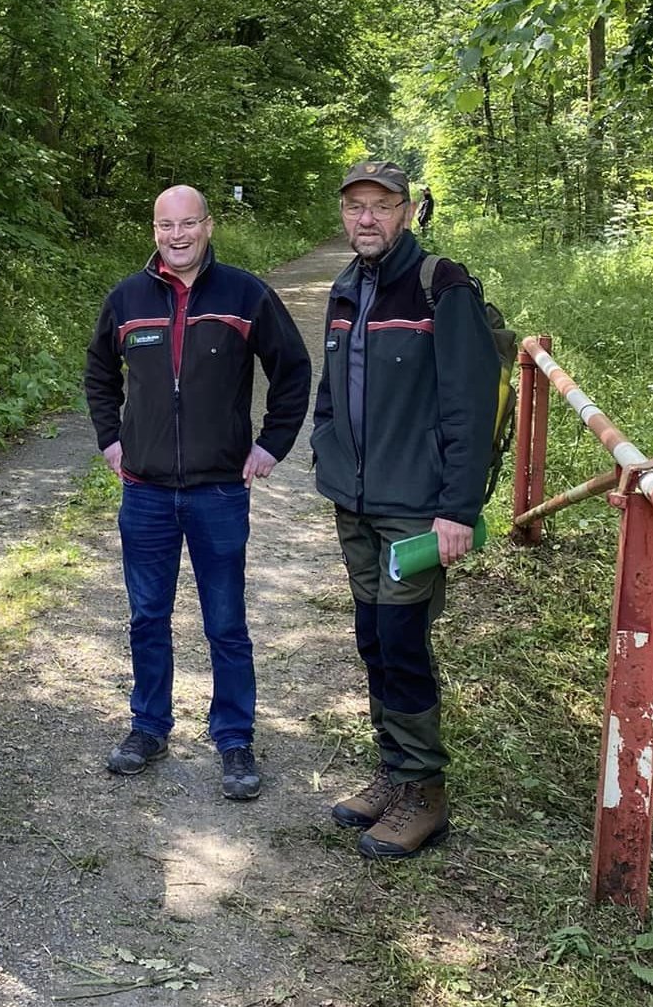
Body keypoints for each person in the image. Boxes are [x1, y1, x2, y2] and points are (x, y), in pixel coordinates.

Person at [84, 185, 311, 801]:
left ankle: (234, 739)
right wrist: (111, 439)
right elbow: (99, 374)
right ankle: (148, 727)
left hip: (219, 492)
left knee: (227, 622)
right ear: (154, 230)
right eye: (166, 225)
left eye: (188, 223)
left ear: (208, 226)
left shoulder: (245, 294)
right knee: (146, 617)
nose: (177, 235)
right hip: (146, 493)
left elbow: (292, 370)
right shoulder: (127, 299)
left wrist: (272, 444)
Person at [313, 160, 497, 858]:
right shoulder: (345, 287)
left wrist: (458, 508)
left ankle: (425, 792)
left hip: (416, 510)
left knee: (403, 641)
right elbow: (332, 390)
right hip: (356, 504)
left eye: (381, 205)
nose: (366, 218)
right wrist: (328, 451)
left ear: (409, 210)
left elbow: (468, 404)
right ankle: (393, 771)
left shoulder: (440, 285)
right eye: (354, 206)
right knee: (372, 637)